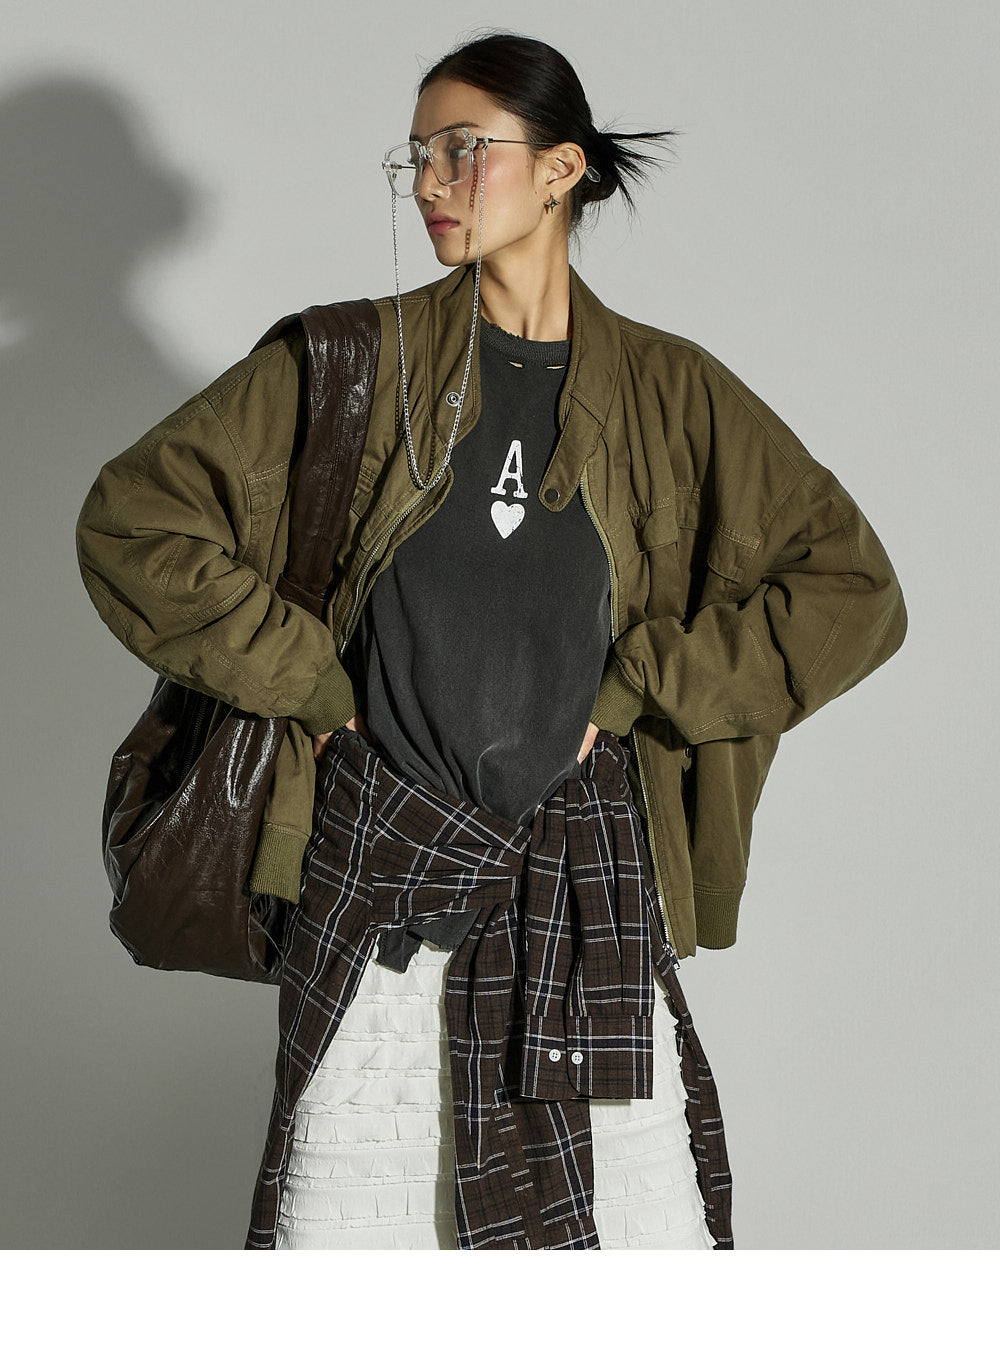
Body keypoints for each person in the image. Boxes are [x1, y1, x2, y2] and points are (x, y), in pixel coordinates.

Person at [76, 32, 907, 1250]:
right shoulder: (348, 363)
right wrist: (311, 683)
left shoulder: (673, 393)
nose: (429, 181)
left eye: (462, 150)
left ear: (561, 168)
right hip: (379, 873)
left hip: (586, 880)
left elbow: (853, 592)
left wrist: (634, 689)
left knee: (626, 1247)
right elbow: (134, 520)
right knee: (359, 1238)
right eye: (415, 155)